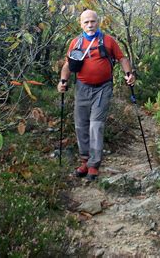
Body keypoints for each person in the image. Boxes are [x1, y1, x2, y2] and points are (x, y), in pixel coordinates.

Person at [57, 9, 135, 181]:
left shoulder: (108, 41)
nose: (90, 25)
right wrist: (63, 81)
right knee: (80, 125)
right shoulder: (75, 43)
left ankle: (94, 165)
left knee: (96, 125)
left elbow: (122, 59)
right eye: (86, 22)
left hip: (103, 88)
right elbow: (68, 65)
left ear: (98, 22)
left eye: (93, 21)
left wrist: (129, 73)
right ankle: (85, 160)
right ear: (81, 24)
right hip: (82, 88)